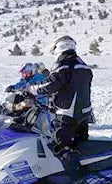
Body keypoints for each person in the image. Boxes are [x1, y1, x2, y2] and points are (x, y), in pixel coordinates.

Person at [25, 36, 93, 170]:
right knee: (81, 147)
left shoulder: (64, 65)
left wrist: (30, 90)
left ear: (58, 48)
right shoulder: (83, 65)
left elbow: (51, 84)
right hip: (84, 113)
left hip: (67, 114)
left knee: (61, 148)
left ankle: (72, 181)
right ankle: (87, 175)